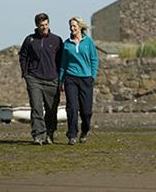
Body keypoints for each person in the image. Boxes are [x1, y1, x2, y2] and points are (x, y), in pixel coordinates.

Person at [19, 13, 63, 145]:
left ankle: (49, 133)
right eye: (41, 25)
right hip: (34, 79)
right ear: (37, 25)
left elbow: (61, 60)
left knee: (51, 109)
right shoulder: (29, 40)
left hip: (52, 79)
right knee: (36, 107)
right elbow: (23, 56)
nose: (44, 27)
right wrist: (25, 74)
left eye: (46, 24)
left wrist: (61, 79)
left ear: (48, 23)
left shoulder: (56, 40)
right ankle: (38, 135)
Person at [59, 17, 98, 145]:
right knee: (72, 108)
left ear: (80, 26)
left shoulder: (88, 42)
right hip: (71, 78)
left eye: (74, 26)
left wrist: (93, 76)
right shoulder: (66, 44)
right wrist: (61, 80)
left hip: (86, 79)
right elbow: (63, 64)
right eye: (70, 26)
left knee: (86, 111)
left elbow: (94, 60)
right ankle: (72, 135)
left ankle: (85, 131)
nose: (72, 28)